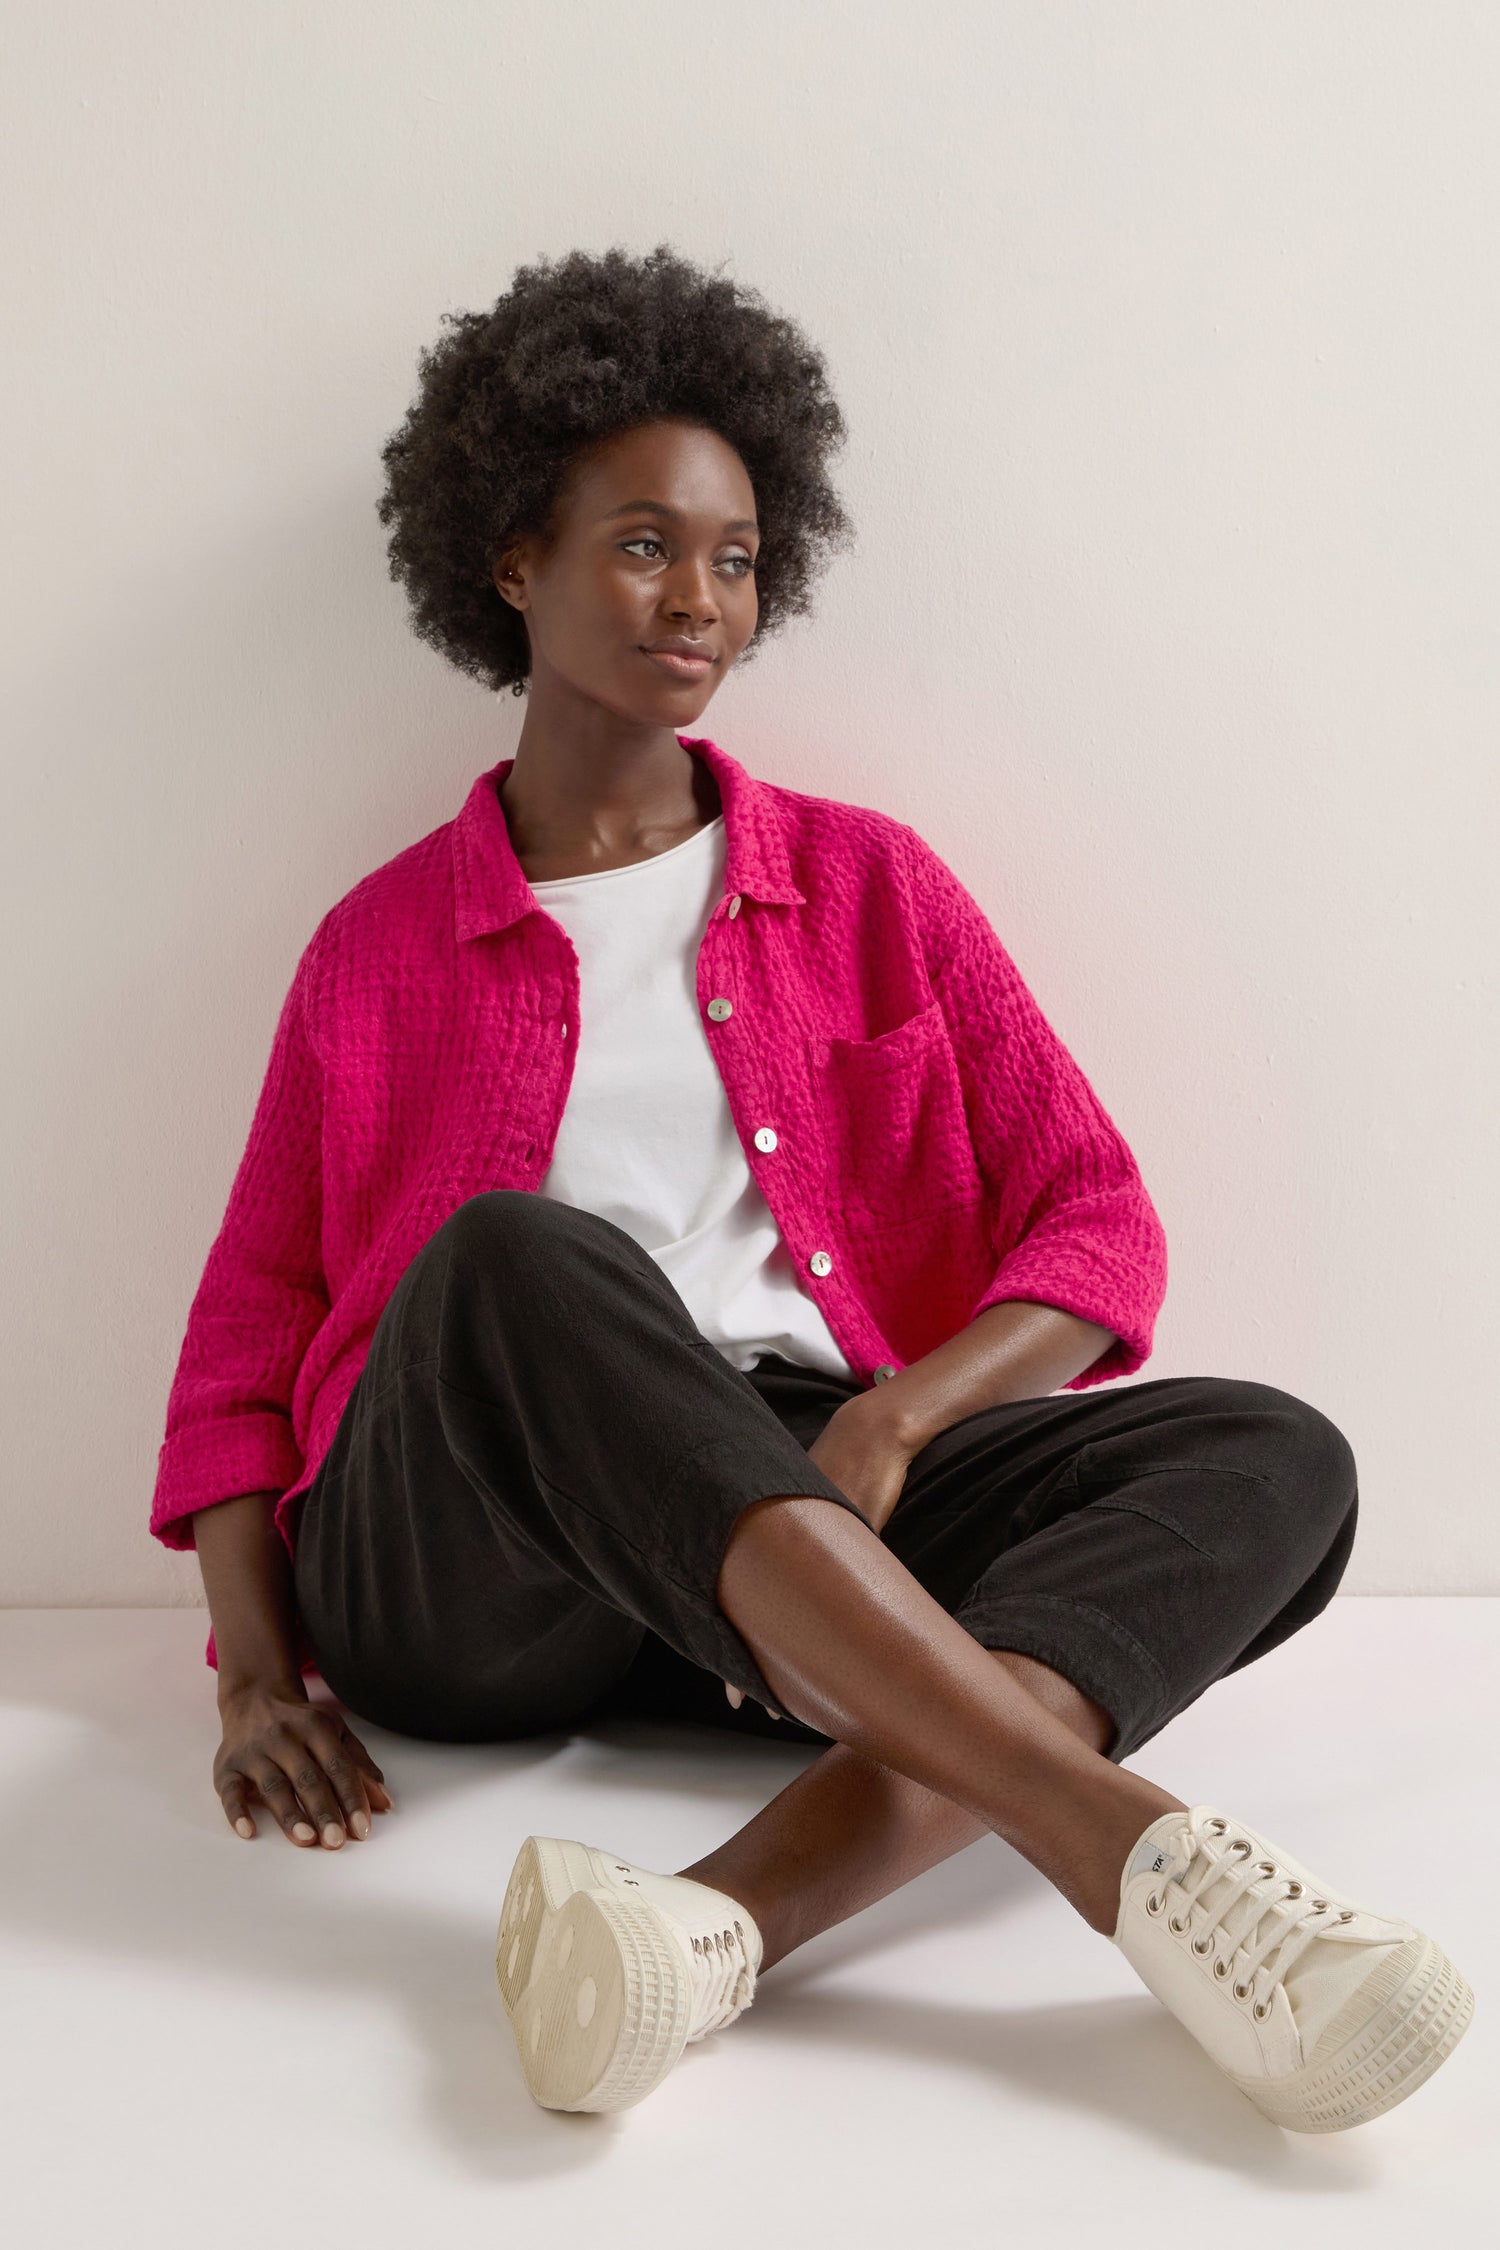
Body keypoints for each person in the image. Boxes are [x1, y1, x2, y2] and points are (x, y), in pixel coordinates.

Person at [151, 244, 1472, 2132]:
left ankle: (702, 1933)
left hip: (789, 1525)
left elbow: (1097, 1223)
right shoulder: (379, 946)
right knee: (515, 1256)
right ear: (509, 559)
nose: (700, 599)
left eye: (739, 556)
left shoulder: (867, 889)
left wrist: (898, 1418)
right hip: (474, 1555)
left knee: (1277, 1458)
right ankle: (1122, 1848)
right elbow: (249, 1328)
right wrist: (254, 1676)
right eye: (640, 545)